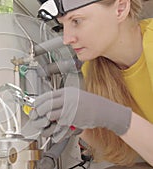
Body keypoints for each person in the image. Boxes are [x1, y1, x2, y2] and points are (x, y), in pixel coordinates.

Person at [30, 0, 153, 167]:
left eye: (76, 21)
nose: (66, 39)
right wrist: (77, 127)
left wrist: (114, 116)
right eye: (62, 25)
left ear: (121, 9)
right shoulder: (95, 70)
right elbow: (127, 151)